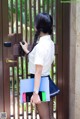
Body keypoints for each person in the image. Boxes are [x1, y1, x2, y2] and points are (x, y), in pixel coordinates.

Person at [20, 13, 60, 119]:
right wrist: (27, 51)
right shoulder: (49, 42)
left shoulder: (41, 46)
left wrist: (35, 93)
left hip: (40, 83)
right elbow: (39, 61)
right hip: (44, 81)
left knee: (45, 117)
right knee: (47, 115)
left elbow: (38, 71)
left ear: (37, 27)